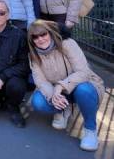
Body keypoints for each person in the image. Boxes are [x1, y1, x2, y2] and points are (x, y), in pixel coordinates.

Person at [28, 20, 104, 151]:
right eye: (35, 37)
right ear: (31, 40)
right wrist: (54, 96)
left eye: (43, 34)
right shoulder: (33, 55)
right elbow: (41, 81)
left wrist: (60, 87)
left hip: (81, 84)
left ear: (50, 33)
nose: (40, 39)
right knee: (38, 101)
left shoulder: (67, 44)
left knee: (84, 90)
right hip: (58, 92)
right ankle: (63, 109)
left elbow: (83, 72)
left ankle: (90, 130)